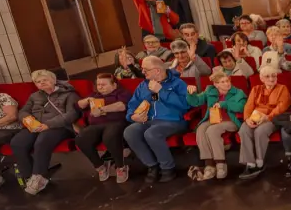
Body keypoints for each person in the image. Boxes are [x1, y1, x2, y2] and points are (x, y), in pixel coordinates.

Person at [9, 69, 80, 194]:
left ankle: (39, 176)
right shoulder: (34, 96)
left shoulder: (69, 94)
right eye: (38, 82)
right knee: (17, 142)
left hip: (60, 126)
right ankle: (29, 176)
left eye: (45, 80)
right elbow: (23, 111)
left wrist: (48, 125)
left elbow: (72, 114)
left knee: (42, 141)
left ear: (54, 80)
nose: (41, 83)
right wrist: (29, 120)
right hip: (36, 126)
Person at [122, 55, 191, 183]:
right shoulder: (143, 85)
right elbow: (133, 104)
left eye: (145, 69)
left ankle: (168, 168)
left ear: (157, 70)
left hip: (174, 121)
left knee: (152, 133)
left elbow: (186, 104)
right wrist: (132, 116)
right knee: (130, 131)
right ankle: (152, 166)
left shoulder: (178, 83)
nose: (142, 72)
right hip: (149, 120)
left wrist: (161, 91)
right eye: (142, 69)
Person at [185, 70, 247, 180]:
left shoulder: (238, 92)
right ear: (216, 84)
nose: (227, 83)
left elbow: (242, 107)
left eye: (227, 81)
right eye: (223, 82)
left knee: (212, 130)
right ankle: (209, 164)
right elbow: (196, 102)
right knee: (201, 129)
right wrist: (191, 94)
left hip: (231, 120)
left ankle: (220, 163)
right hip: (214, 119)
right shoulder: (210, 91)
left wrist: (224, 104)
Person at [75, 71, 130, 183]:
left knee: (109, 136)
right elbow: (78, 105)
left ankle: (121, 167)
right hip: (95, 125)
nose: (100, 87)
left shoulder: (121, 92)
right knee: (81, 138)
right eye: (98, 84)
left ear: (114, 85)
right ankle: (100, 166)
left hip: (116, 123)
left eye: (103, 84)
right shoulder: (94, 95)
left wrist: (102, 109)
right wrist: (87, 100)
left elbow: (121, 106)